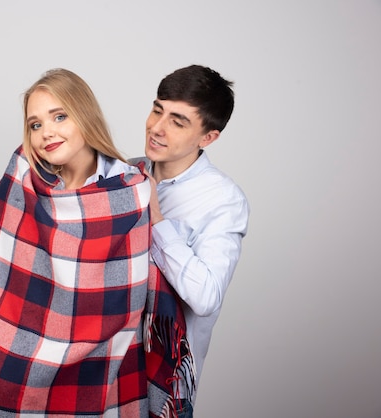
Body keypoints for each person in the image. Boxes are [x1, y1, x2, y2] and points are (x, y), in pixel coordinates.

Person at [0, 68, 190, 417]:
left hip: (105, 361)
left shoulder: (129, 191)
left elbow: (131, 290)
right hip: (18, 359)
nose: (46, 132)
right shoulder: (23, 183)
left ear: (85, 116)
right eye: (35, 124)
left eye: (59, 116)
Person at [133, 64, 250, 417]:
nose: (156, 127)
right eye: (157, 109)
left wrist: (154, 214)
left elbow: (206, 296)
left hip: (164, 388)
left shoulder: (224, 200)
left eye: (178, 121)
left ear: (208, 137)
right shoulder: (125, 172)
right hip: (105, 372)